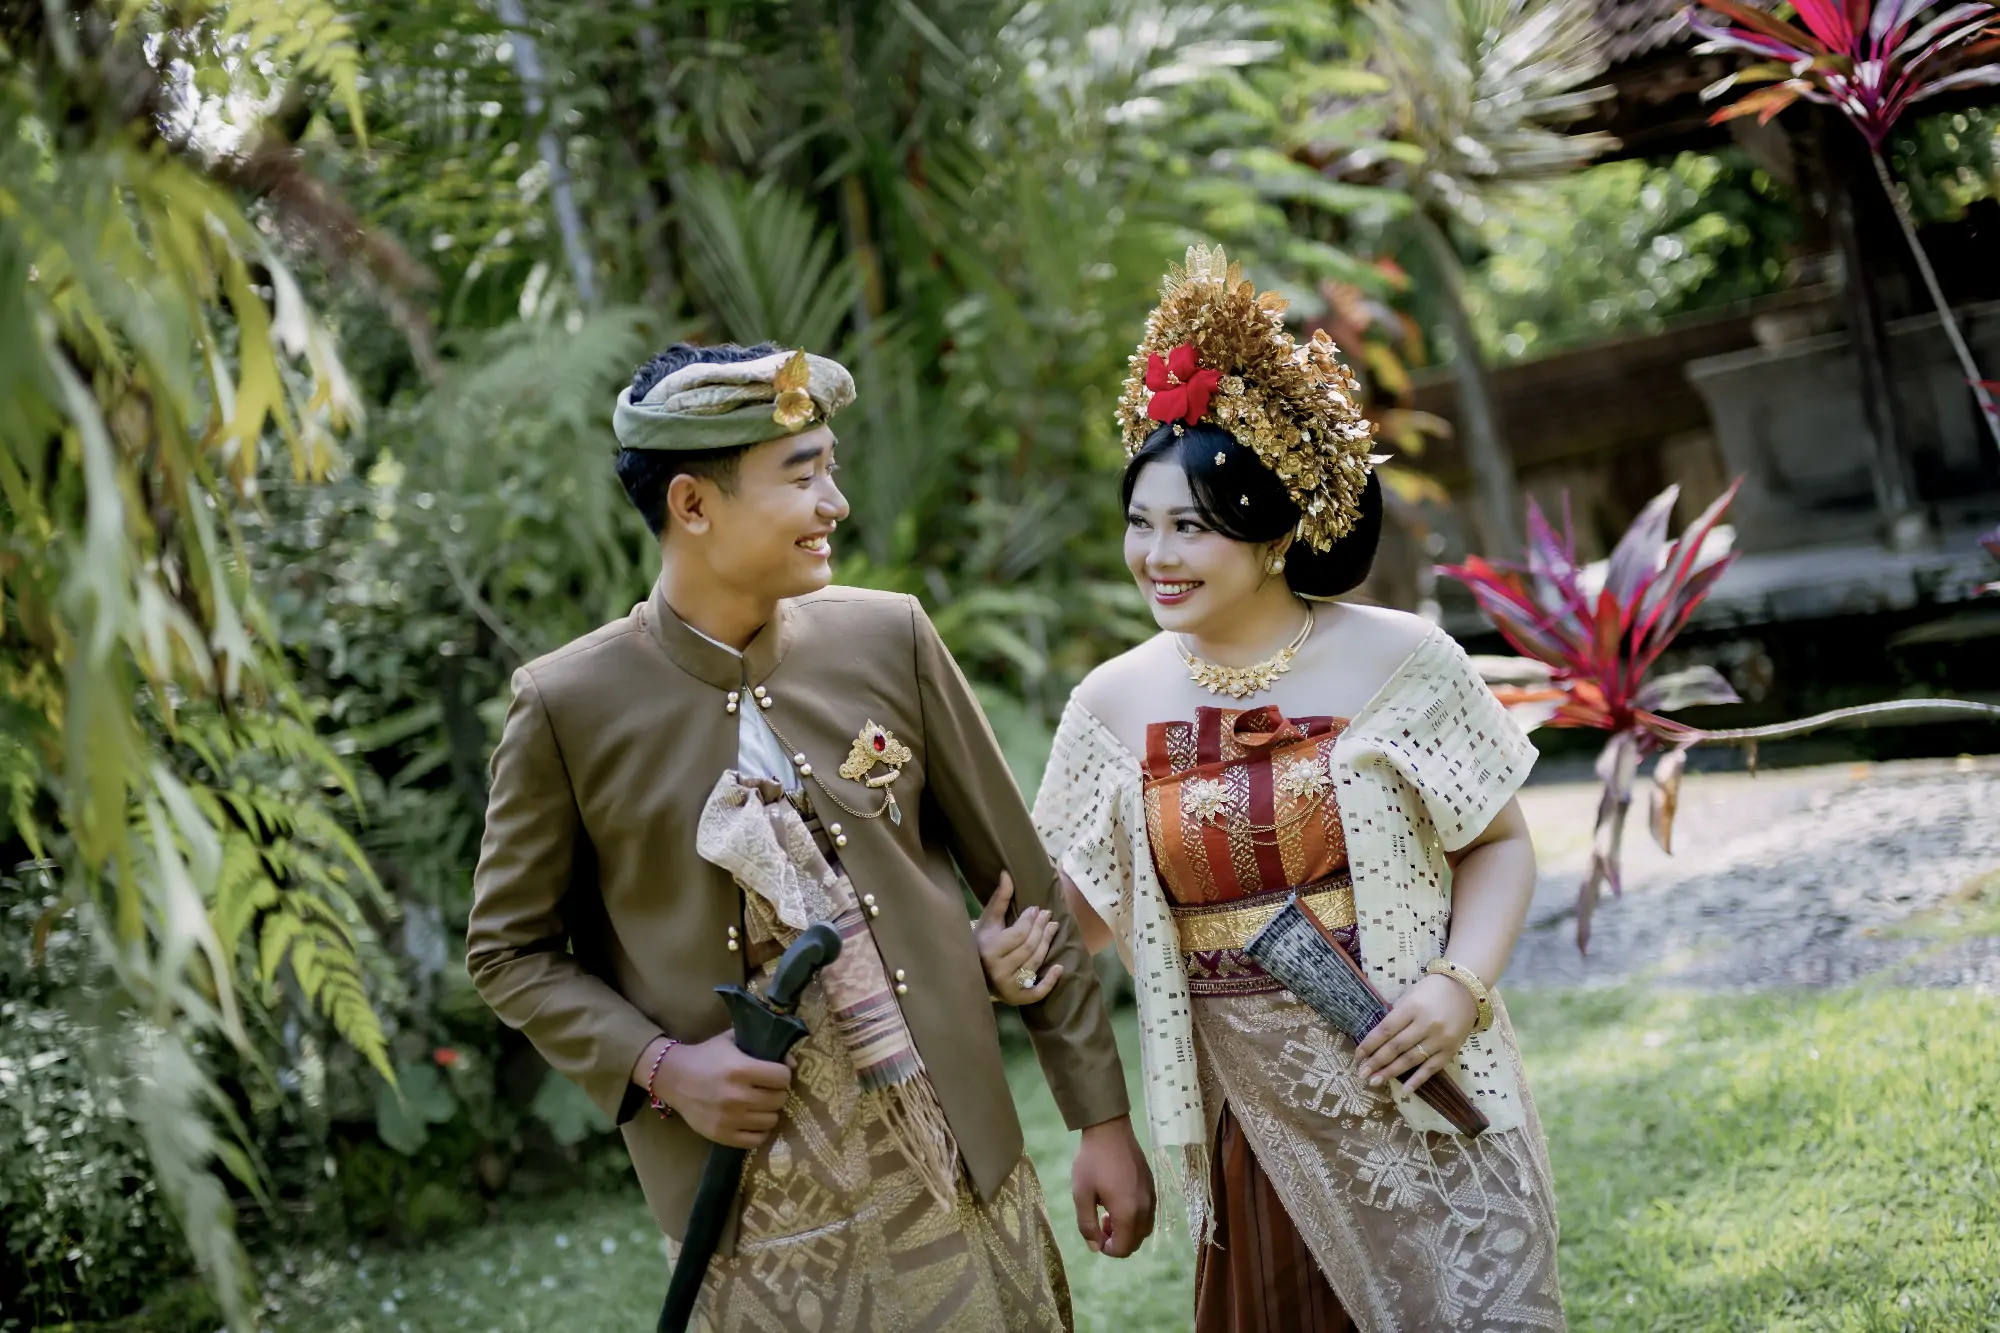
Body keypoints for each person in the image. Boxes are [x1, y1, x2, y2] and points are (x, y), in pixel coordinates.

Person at [466, 340, 1154, 1332]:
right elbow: (508, 952)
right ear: (692, 504)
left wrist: (1101, 1120)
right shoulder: (567, 706)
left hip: (954, 1162)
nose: (835, 502)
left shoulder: (890, 636)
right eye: (802, 476)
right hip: (747, 1212)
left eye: (831, 468)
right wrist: (663, 1068)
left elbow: (1027, 891)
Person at [978, 248, 1565, 1331]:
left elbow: (1497, 842)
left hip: (1413, 1070)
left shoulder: (1401, 658)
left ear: (1276, 530)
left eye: (1190, 526)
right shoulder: (1110, 703)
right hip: (1250, 1114)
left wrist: (1456, 986)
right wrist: (1013, 956)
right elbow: (1083, 917)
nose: (1155, 555)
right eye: (1140, 521)